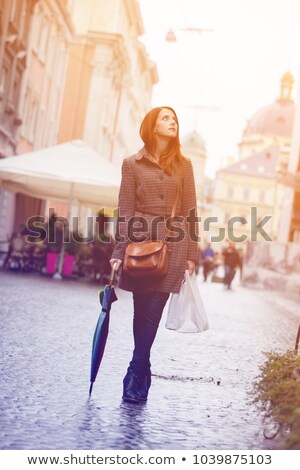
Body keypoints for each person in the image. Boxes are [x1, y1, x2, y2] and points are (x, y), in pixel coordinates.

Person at [110, 106, 198, 404]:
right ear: (152, 126)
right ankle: (144, 366)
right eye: (166, 118)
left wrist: (192, 255)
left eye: (175, 119)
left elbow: (190, 210)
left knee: (152, 312)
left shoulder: (184, 165)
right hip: (139, 246)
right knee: (140, 309)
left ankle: (135, 371)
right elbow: (125, 211)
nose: (172, 122)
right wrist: (119, 251)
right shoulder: (131, 164)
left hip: (174, 244)